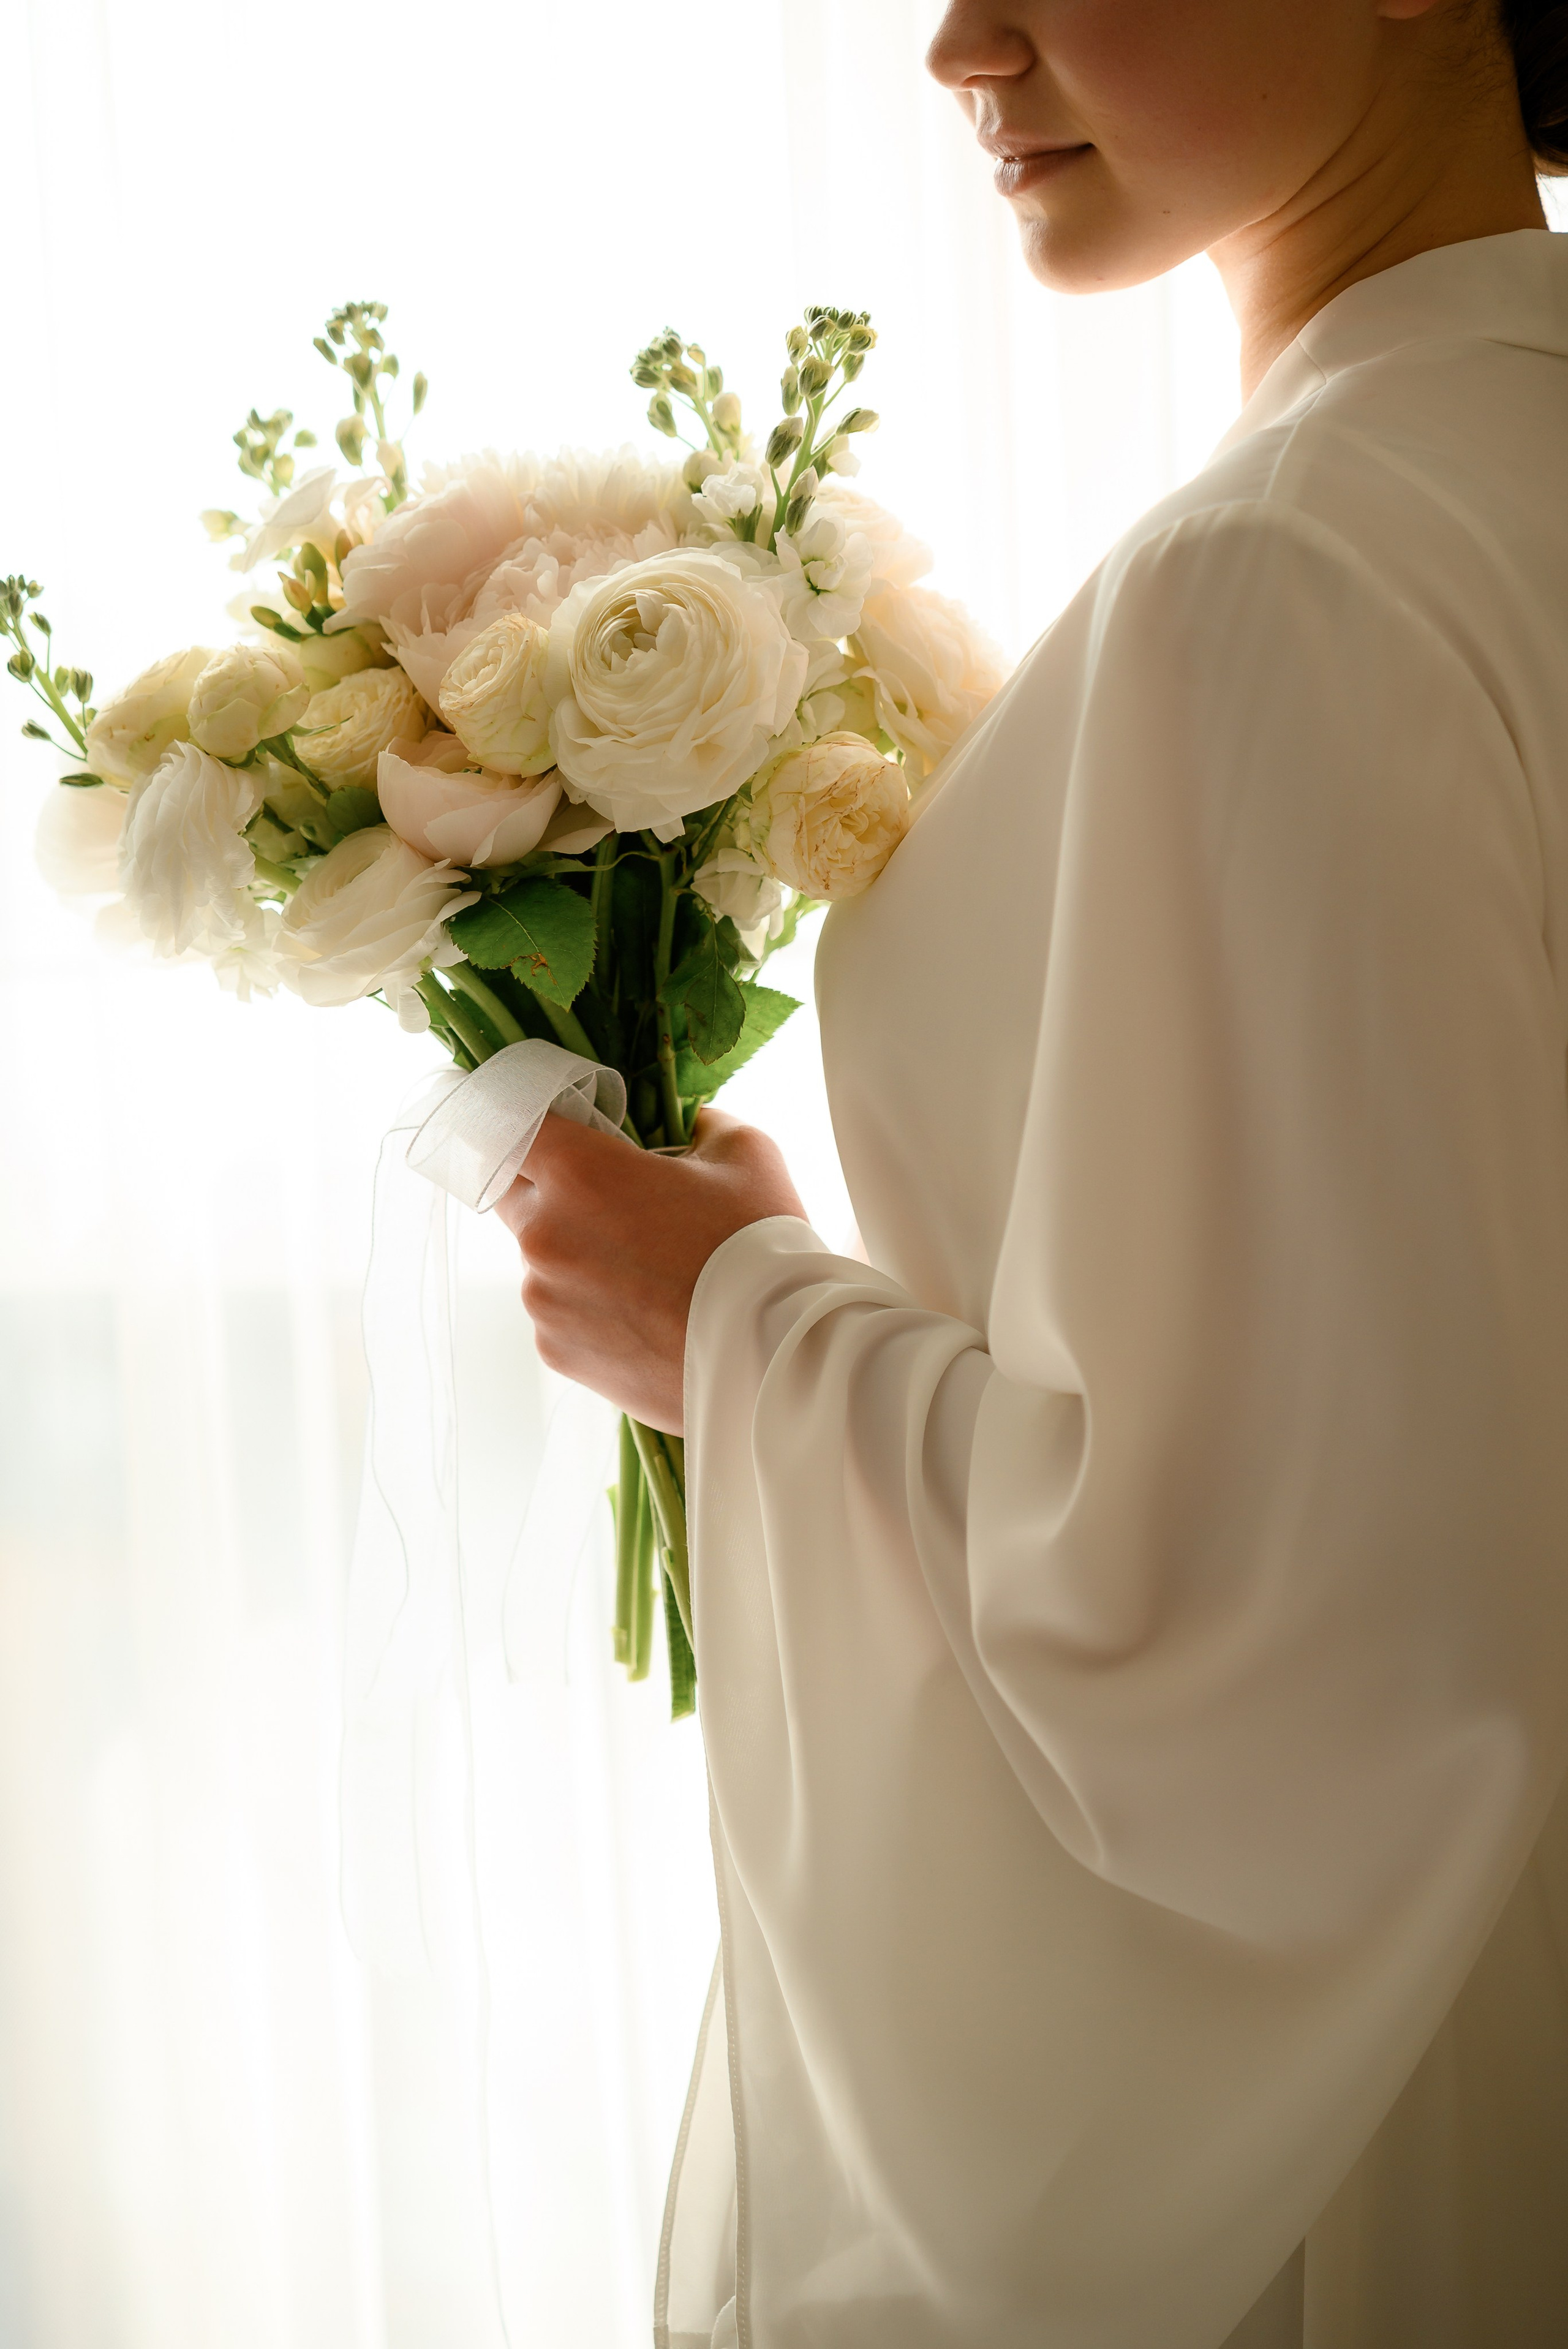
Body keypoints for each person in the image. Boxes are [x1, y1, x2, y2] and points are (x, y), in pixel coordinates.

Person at [497, 3, 1568, 2342]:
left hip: (1374, 2106)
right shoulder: (1489, 474)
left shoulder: (1293, 572)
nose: (961, 43)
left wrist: (736, 1321)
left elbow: (1296, 1654)